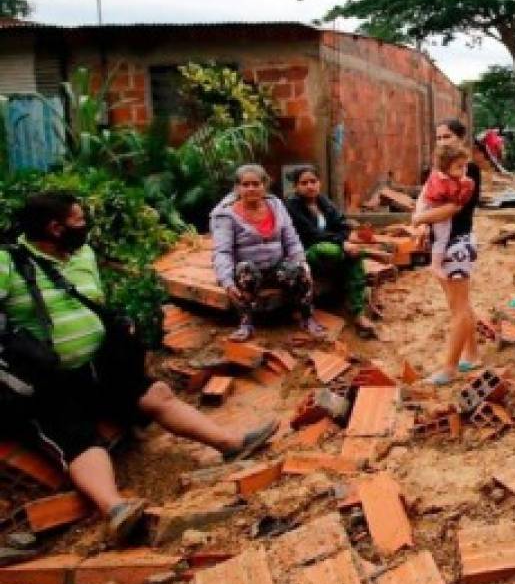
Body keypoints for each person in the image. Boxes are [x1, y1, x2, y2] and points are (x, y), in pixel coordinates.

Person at [0, 192, 277, 544]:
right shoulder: (10, 263)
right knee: (77, 437)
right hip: (49, 382)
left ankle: (230, 443)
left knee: (155, 393)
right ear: (55, 228)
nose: (85, 226)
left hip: (99, 366)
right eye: (79, 220)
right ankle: (115, 509)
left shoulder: (82, 255)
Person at [210, 164, 326, 342]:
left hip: (275, 267)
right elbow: (222, 252)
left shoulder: (276, 205)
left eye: (256, 184)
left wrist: (302, 263)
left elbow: (291, 238)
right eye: (245, 184)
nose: (251, 189)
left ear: (264, 186)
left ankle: (307, 319)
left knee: (301, 272)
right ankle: (245, 324)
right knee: (245, 270)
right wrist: (226, 281)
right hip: (248, 271)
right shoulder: (227, 215)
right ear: (237, 188)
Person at [412, 119, 482, 385]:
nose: (443, 142)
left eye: (448, 136)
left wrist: (420, 220)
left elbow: (453, 209)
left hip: (458, 243)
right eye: (439, 137)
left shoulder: (468, 170)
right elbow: (424, 198)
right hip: (444, 242)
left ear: (461, 138)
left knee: (459, 308)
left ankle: (449, 368)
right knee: (458, 305)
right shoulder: (440, 170)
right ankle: (472, 354)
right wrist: (419, 221)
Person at [284, 165, 379, 338]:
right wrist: (343, 243)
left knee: (355, 257)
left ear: (319, 183)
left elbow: (342, 225)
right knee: (332, 250)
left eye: (313, 181)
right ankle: (345, 257)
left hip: (333, 249)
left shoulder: (323, 202)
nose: (310, 186)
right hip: (307, 251)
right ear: (296, 187)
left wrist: (343, 241)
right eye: (304, 183)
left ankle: (358, 314)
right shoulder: (292, 206)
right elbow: (311, 233)